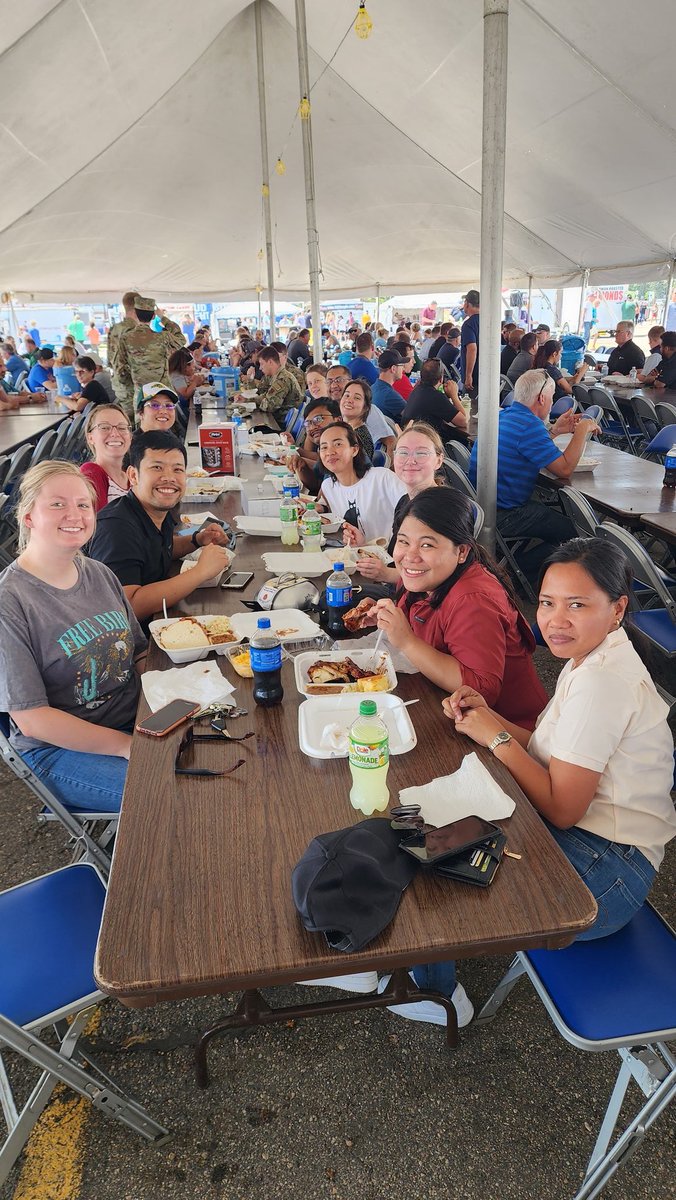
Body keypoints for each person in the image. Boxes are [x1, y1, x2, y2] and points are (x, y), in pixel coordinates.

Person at [445, 538, 676, 942]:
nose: (556, 620)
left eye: (577, 605)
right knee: (446, 833)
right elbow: (550, 748)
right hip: (599, 847)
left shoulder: (601, 681)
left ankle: (425, 973)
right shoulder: (591, 655)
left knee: (444, 870)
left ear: (617, 609)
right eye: (547, 603)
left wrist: (497, 738)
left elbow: (563, 810)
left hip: (606, 872)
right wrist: (489, 717)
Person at [0, 461, 147, 814]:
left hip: (134, 717)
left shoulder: (99, 573)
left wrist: (170, 699)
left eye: (83, 504)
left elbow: (139, 653)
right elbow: (33, 720)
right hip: (58, 750)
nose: (75, 515)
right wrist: (126, 746)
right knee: (168, 794)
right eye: (57, 504)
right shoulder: (10, 601)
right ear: (28, 516)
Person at [88, 431, 231, 630]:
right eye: (157, 467)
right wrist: (200, 572)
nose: (169, 478)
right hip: (126, 640)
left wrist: (197, 539)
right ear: (133, 475)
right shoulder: (116, 528)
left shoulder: (154, 511)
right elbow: (126, 607)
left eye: (178, 469)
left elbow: (158, 549)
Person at [469, 369, 599, 578]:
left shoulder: (503, 416)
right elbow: (565, 469)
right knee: (578, 533)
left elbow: (525, 446)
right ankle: (512, 573)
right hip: (504, 514)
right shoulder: (529, 426)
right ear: (541, 398)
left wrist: (555, 431)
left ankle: (511, 568)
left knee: (555, 519)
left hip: (481, 508)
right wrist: (582, 430)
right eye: (552, 397)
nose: (552, 403)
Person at [354, 422, 448, 586]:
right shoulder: (405, 501)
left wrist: (387, 574)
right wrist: (365, 545)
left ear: (438, 460)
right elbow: (396, 557)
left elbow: (442, 575)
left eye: (421, 453)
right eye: (403, 452)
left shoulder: (444, 508)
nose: (410, 460)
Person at [316, 421, 407, 544]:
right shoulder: (328, 487)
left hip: (388, 553)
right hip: (355, 552)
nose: (330, 452)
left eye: (338, 444)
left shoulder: (382, 478)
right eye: (324, 447)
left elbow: (414, 509)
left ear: (354, 450)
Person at [116, 296, 185, 408]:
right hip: (163, 391)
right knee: (165, 417)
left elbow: (121, 369)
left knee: (142, 417)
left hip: (140, 394)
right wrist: (163, 318)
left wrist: (132, 385)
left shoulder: (125, 338)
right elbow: (181, 340)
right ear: (153, 316)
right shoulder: (163, 337)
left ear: (135, 314)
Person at [401, 358, 468, 445]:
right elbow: (463, 422)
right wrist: (454, 396)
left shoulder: (417, 390)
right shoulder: (435, 396)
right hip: (425, 444)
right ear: (441, 379)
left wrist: (446, 397)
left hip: (410, 440)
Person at [80, 403, 132, 511]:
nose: (115, 434)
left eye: (122, 428)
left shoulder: (132, 477)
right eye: (104, 427)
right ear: (90, 438)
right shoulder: (90, 473)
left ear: (130, 437)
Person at [284, 397, 341, 494]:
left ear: (338, 420)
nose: (312, 427)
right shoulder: (324, 448)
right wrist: (302, 466)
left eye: (318, 419)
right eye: (308, 423)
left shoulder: (345, 448)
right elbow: (316, 485)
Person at [240, 346, 302, 419]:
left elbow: (269, 406)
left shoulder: (282, 379)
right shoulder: (274, 376)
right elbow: (263, 393)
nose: (260, 368)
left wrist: (255, 401)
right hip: (276, 419)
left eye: (262, 364)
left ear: (270, 362)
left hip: (280, 422)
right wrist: (247, 399)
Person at [107, 291, 139, 418]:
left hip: (119, 386)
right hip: (132, 386)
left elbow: (110, 360)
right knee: (135, 423)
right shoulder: (134, 330)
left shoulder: (114, 329)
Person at [339, 379, 375, 460]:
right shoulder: (344, 430)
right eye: (347, 395)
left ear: (365, 407)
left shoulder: (361, 438)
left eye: (357, 398)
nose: (349, 400)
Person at [168, 347, 206, 414]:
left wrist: (196, 382)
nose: (194, 369)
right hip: (182, 411)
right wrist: (195, 382)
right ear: (185, 366)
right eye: (193, 367)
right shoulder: (176, 376)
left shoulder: (180, 375)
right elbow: (185, 395)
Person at [371, 350, 406, 421]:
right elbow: (412, 415)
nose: (403, 369)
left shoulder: (373, 387)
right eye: (401, 366)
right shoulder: (389, 395)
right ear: (393, 369)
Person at [460, 290, 480, 396]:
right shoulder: (490, 322)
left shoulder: (468, 324)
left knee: (469, 404)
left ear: (467, 303)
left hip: (475, 377)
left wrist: (468, 375)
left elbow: (472, 349)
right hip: (489, 375)